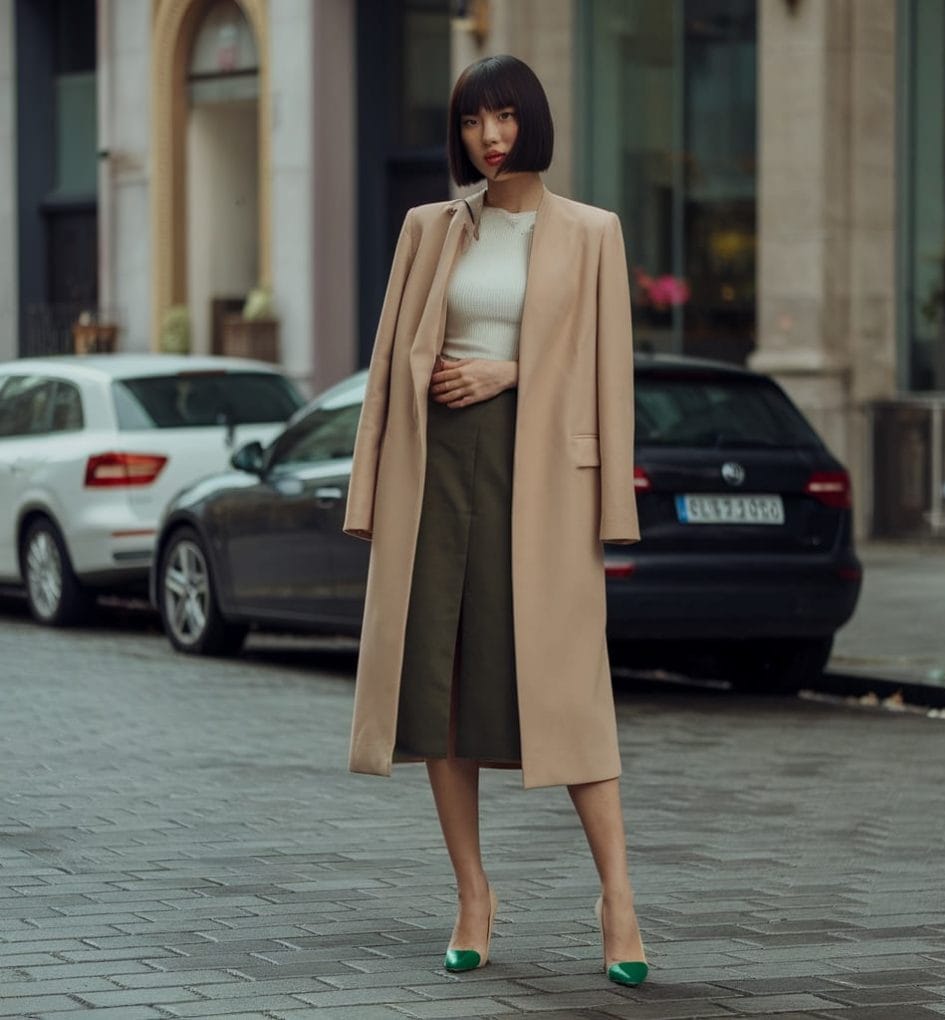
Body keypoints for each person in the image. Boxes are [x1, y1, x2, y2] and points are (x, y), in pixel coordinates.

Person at [343, 54, 647, 987]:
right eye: (475, 120)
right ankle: (473, 894)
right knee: (436, 687)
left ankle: (619, 899)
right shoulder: (427, 228)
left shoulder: (593, 233)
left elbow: (605, 370)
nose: (491, 135)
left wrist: (509, 373)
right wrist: (366, 494)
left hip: (539, 472)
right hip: (436, 472)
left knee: (566, 688)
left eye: (506, 116)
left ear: (534, 122)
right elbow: (392, 358)